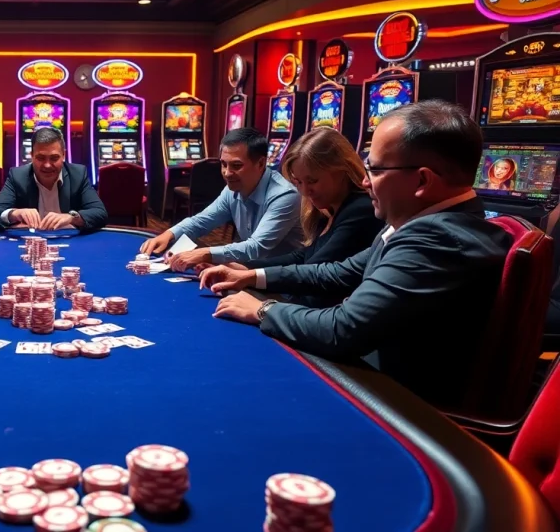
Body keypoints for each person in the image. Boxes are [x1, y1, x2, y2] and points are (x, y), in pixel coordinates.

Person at [204, 100, 512, 408]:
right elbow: (338, 271)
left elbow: (343, 330)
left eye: (375, 170)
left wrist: (263, 310)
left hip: (397, 401)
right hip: (378, 373)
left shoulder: (437, 239)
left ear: (422, 180)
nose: (364, 181)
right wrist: (250, 275)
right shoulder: (420, 223)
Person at [200, 127, 383, 307]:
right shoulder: (328, 208)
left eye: (312, 181)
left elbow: (314, 273)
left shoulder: (361, 210)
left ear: (342, 171)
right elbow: (303, 256)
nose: (304, 191)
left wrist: (252, 280)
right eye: (298, 182)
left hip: (321, 318)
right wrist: (244, 268)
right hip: (304, 305)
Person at [139, 127, 303, 271]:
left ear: (260, 163)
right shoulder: (233, 189)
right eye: (224, 164)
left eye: (236, 166)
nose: (227, 173)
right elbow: (201, 221)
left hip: (284, 287)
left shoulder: (284, 196)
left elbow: (256, 247)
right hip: (248, 271)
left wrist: (205, 254)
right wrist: (169, 234)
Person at [0, 127, 108, 232]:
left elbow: (100, 213)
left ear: (63, 155)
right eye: (40, 158)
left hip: (69, 241)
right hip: (29, 244)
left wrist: (71, 217)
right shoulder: (17, 176)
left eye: (54, 158)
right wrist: (14, 214)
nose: (47, 165)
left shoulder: (78, 175)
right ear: (31, 156)